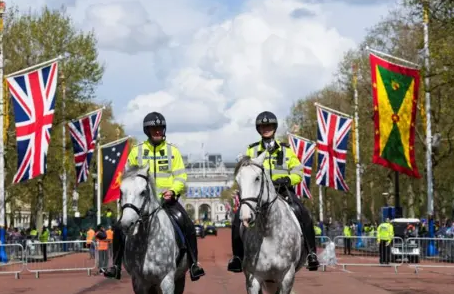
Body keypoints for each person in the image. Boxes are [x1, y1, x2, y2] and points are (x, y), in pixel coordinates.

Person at [104, 111, 205, 281]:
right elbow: (128, 176)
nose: (157, 131)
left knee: (186, 222)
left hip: (167, 201)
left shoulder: (173, 151)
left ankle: (194, 263)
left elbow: (181, 176)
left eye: (160, 128)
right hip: (142, 202)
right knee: (119, 226)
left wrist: (172, 191)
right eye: (153, 129)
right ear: (147, 131)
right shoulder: (137, 151)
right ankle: (116, 264)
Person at [228, 111, 320, 272]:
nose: (266, 129)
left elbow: (299, 172)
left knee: (302, 212)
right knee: (238, 218)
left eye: (269, 126)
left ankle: (311, 253)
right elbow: (245, 172)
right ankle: (237, 257)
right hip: (259, 195)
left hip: (283, 191)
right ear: (259, 129)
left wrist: (288, 179)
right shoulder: (252, 150)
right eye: (263, 127)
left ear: (274, 128)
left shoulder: (286, 150)